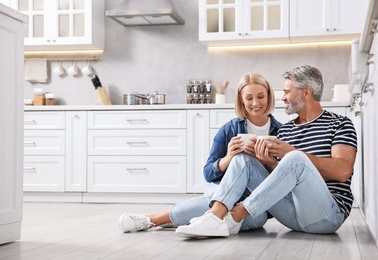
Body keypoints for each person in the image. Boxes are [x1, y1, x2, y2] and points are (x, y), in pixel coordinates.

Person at [175, 65, 357, 238]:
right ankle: (215, 217)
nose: (283, 97)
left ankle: (234, 217)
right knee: (243, 159)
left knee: (295, 158)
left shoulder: (339, 123)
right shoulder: (285, 131)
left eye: (287, 91)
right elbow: (282, 180)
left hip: (327, 216)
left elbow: (342, 172)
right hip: (292, 216)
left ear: (306, 92)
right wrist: (268, 163)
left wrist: (291, 153)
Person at [118, 73, 282, 233]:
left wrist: (269, 162)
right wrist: (229, 158)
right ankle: (151, 220)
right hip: (225, 194)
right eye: (248, 98)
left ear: (269, 96)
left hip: (257, 204)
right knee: (221, 203)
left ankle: (190, 219)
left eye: (260, 96)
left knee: (256, 219)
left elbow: (287, 179)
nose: (255, 103)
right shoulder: (229, 130)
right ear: (241, 99)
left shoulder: (281, 133)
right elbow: (208, 173)